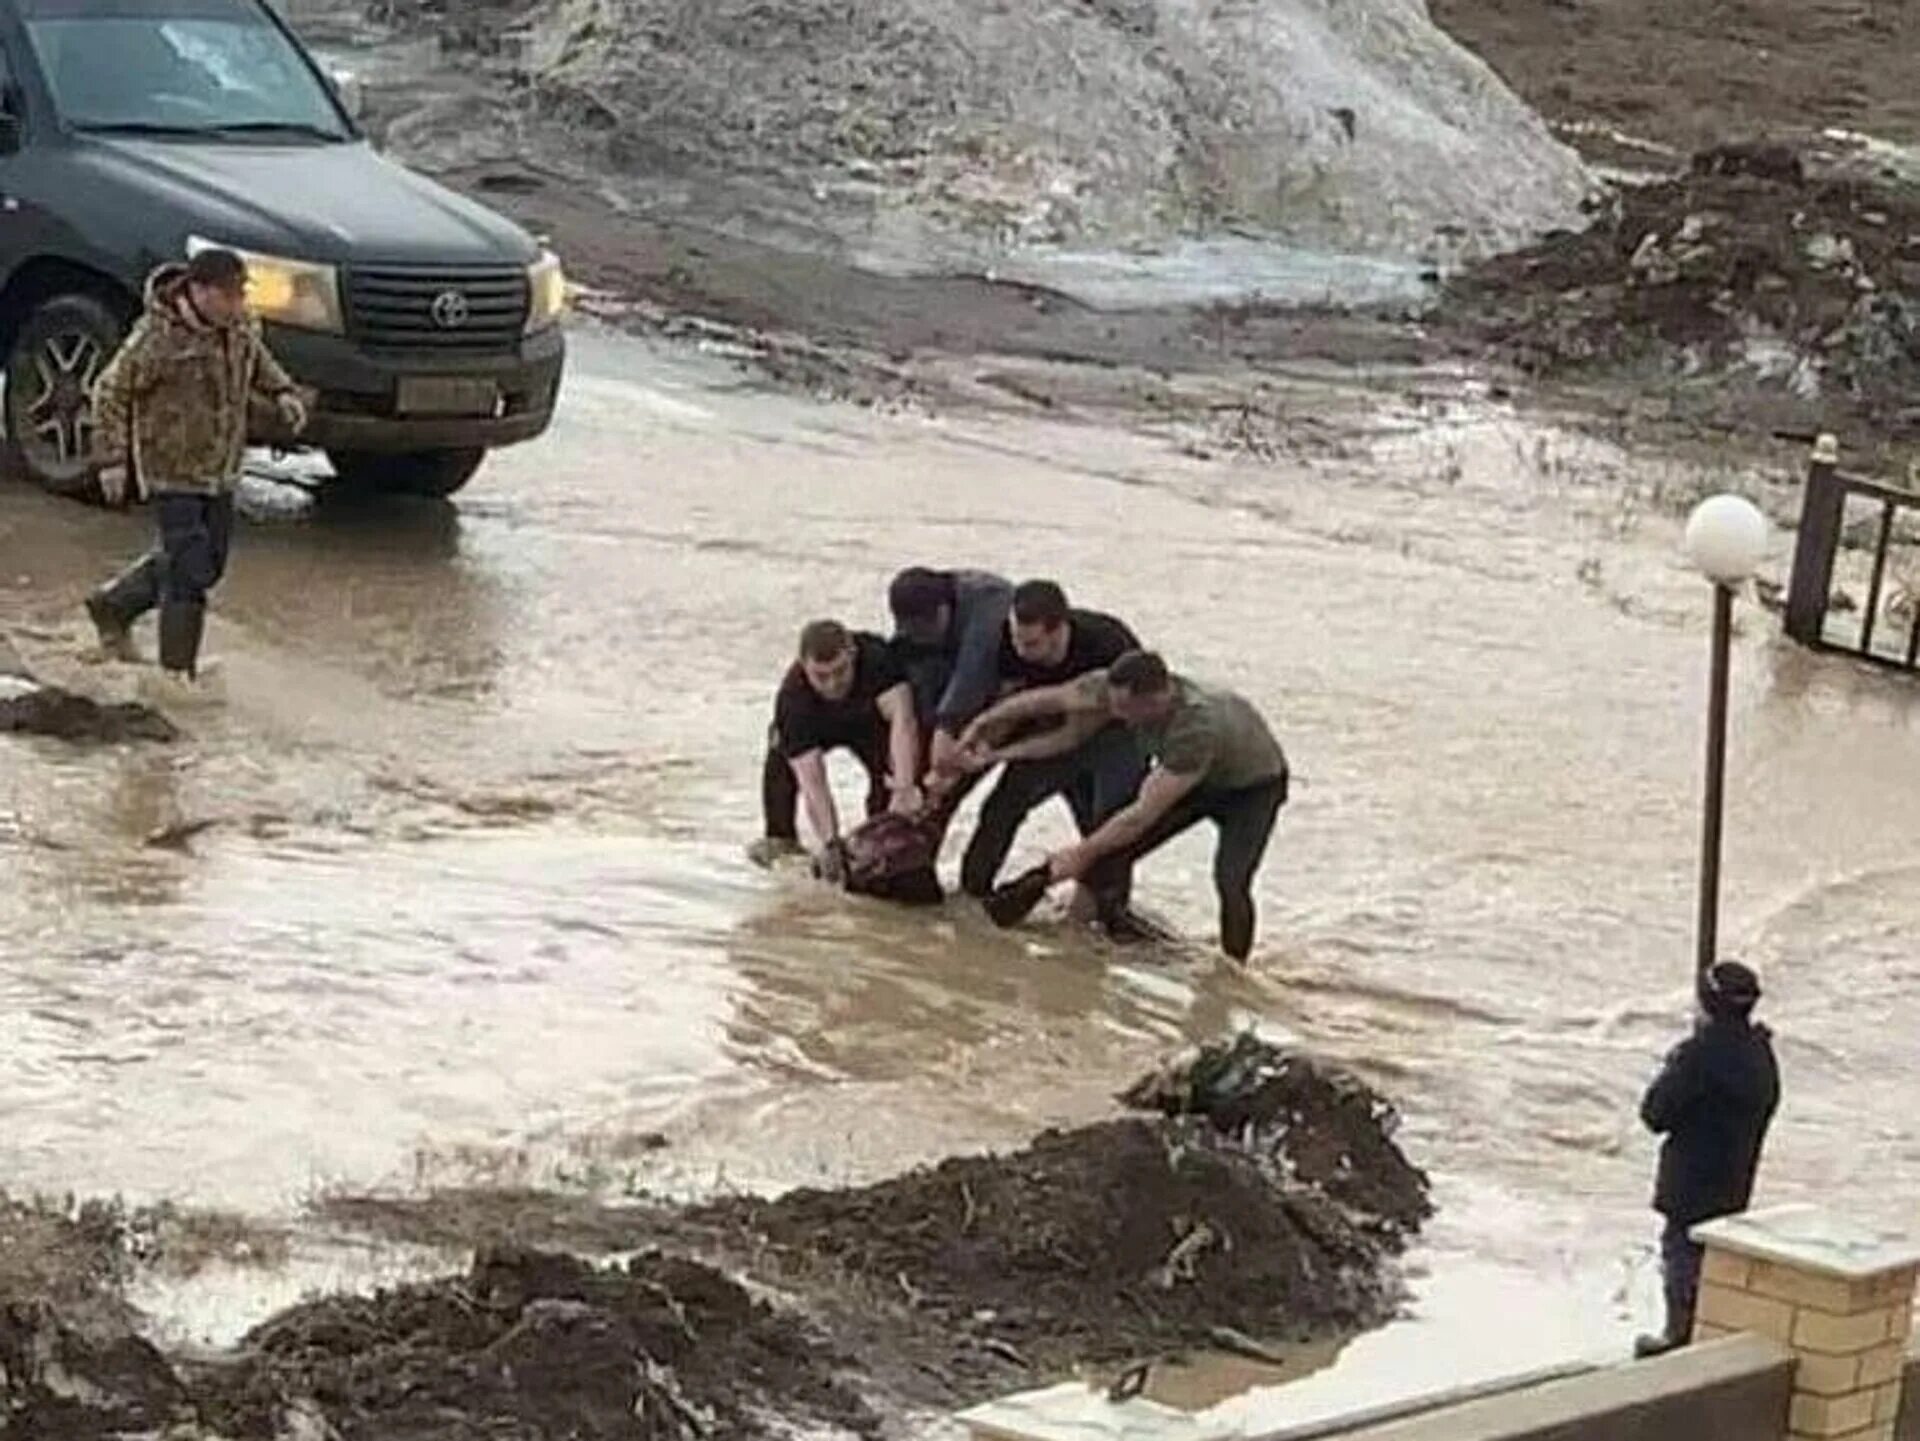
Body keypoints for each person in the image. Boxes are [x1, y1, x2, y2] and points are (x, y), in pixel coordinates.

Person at [84, 248, 308, 700]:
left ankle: (113, 605)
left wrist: (282, 390)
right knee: (189, 572)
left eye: (240, 295)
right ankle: (175, 678)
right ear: (199, 291)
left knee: (209, 564)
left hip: (221, 468)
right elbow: (110, 391)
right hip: (171, 471)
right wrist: (111, 460)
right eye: (228, 296)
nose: (237, 305)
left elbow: (257, 358)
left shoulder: (240, 327)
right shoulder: (157, 338)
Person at [971, 649, 1288, 961]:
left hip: (1251, 789)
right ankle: (1100, 930)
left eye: (1124, 708)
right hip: (1194, 773)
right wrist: (983, 724)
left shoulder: (1194, 727)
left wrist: (1078, 854)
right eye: (1112, 702)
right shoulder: (1113, 690)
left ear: (1155, 700)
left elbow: (1140, 815)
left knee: (1231, 880)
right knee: (1113, 850)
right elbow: (1050, 699)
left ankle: (1234, 971)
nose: (1114, 714)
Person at [953, 580, 1147, 923]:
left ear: (1059, 629)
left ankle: (1103, 914)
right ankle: (971, 894)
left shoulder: (1107, 644)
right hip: (1052, 726)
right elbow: (1014, 707)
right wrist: (980, 743)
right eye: (1015, 637)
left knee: (1107, 826)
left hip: (1119, 735)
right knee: (1003, 803)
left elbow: (1071, 736)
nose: (1020, 649)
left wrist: (1001, 754)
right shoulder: (1010, 646)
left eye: (1031, 643)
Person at [1635, 961, 1780, 1359]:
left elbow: (1654, 1113)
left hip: (1689, 1183)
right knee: (1714, 1261)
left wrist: (1679, 1063)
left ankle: (1678, 1336)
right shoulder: (1761, 1054)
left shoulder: (1698, 1056)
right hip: (1735, 1179)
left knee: (1682, 1257)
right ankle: (1705, 1332)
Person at [751, 619, 922, 872]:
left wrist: (905, 787)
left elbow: (903, 722)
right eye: (821, 676)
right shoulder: (792, 699)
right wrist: (831, 842)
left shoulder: (877, 657)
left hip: (868, 724)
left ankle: (880, 857)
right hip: (815, 725)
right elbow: (813, 783)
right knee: (779, 789)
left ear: (852, 654)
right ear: (803, 666)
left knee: (888, 795)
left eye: (840, 671)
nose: (832, 684)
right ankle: (788, 867)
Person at [885, 566, 1013, 784]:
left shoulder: (990, 598)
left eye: (926, 631)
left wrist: (946, 727)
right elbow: (908, 667)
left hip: (1002, 673)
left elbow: (975, 665)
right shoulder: (912, 626)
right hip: (948, 667)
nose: (922, 637)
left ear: (944, 610)